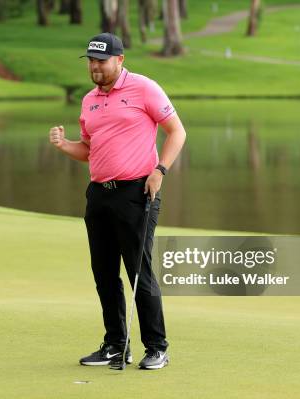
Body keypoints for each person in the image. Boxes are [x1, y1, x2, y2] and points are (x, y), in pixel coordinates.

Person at [48, 33, 186, 370]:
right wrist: (65, 145)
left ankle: (156, 347)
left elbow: (176, 131)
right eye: (91, 61)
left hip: (136, 192)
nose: (95, 67)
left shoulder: (144, 88)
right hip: (98, 194)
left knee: (140, 272)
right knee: (104, 274)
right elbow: (90, 148)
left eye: (102, 60)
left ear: (119, 60)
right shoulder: (89, 100)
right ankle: (115, 345)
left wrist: (160, 170)